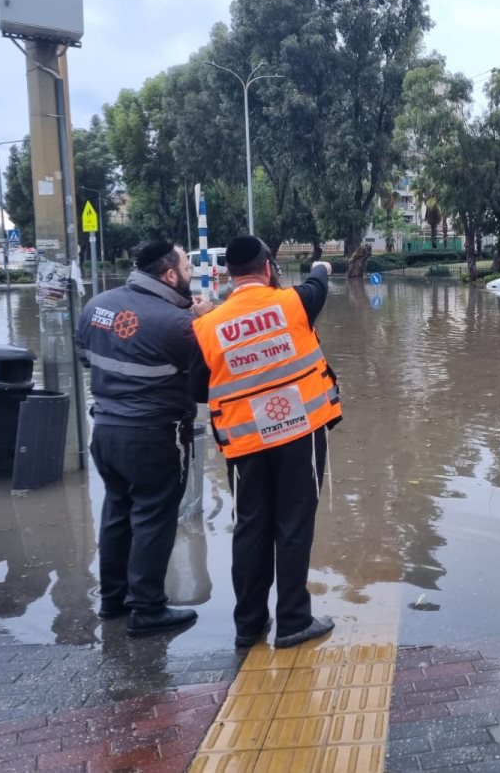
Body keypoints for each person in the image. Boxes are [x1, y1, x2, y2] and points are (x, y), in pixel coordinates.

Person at [190, 236, 342, 650]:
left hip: (244, 444)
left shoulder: (206, 326)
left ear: (226, 275)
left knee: (250, 527)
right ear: (270, 268)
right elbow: (318, 282)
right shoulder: (294, 303)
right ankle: (293, 620)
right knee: (293, 526)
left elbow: (200, 390)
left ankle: (248, 625)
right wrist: (322, 266)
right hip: (298, 434)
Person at [76, 240, 211, 636]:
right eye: (186, 266)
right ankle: (148, 609)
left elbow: (86, 354)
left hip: (105, 429)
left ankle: (113, 600)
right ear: (170, 275)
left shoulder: (97, 305)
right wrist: (206, 320)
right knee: (154, 518)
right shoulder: (181, 325)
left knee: (117, 513)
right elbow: (208, 381)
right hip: (155, 436)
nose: (189, 273)